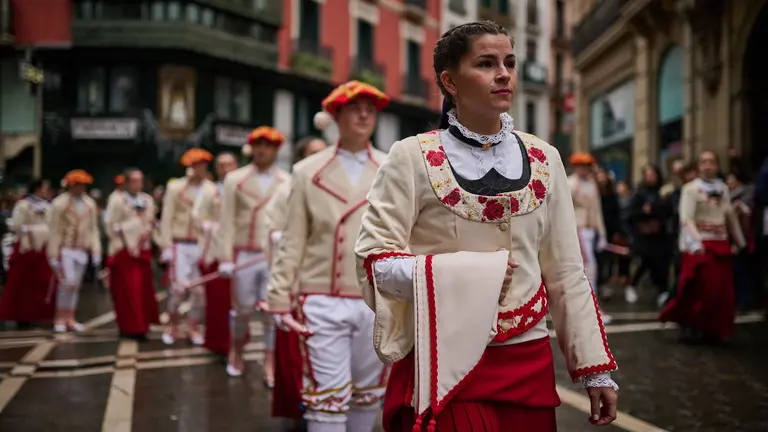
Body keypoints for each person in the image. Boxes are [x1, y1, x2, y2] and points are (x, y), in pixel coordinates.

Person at [354, 22, 619, 431]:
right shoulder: (411, 156)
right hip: (447, 356)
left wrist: (592, 368)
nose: (504, 74)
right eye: (486, 63)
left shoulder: (545, 157)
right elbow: (375, 261)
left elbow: (566, 271)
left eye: (509, 63)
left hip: (527, 362)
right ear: (449, 80)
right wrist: (462, 277)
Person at [268, 81, 390, 432]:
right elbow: (293, 240)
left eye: (371, 108)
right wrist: (278, 297)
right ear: (336, 115)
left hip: (375, 301)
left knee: (366, 396)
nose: (365, 114)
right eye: (355, 108)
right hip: (321, 297)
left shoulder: (391, 167)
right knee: (327, 399)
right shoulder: (306, 171)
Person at [263, 135, 328, 424]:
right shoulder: (285, 189)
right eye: (313, 153)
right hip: (297, 280)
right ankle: (304, 403)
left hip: (327, 281)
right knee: (297, 349)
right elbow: (274, 230)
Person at [219, 127, 289, 379]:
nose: (262, 150)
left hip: (273, 256)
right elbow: (225, 221)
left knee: (272, 311)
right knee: (242, 309)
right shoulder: (234, 179)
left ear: (276, 150)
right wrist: (225, 257)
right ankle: (236, 349)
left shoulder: (287, 181)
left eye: (268, 145)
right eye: (258, 144)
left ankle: (269, 360)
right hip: (244, 255)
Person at [660, 150, 746, 343]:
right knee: (698, 288)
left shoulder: (723, 188)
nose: (708, 165)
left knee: (721, 291)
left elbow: (729, 216)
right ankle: (692, 326)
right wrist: (695, 242)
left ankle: (714, 329)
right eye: (704, 161)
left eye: (711, 161)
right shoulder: (691, 189)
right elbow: (686, 218)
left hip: (721, 243)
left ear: (717, 165)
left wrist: (740, 242)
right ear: (699, 166)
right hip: (700, 244)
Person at [158, 148, 217, 345]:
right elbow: (166, 218)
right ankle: (172, 326)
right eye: (195, 164)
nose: (199, 168)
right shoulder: (176, 187)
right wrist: (166, 246)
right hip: (180, 243)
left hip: (202, 245)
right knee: (178, 288)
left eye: (202, 164)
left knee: (199, 291)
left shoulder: (211, 189)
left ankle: (193, 328)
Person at [104, 168, 160, 339]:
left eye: (140, 180)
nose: (138, 184)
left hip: (143, 250)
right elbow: (110, 225)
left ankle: (142, 325)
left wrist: (161, 244)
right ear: (126, 182)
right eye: (134, 181)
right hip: (124, 250)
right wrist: (131, 230)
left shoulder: (147, 200)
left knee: (143, 291)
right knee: (127, 291)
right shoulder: (117, 200)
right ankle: (129, 326)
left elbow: (152, 223)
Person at [192, 152, 239, 357]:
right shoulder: (210, 190)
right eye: (221, 165)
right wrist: (209, 226)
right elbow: (198, 215)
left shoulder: (243, 185)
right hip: (217, 251)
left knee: (240, 301)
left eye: (229, 164)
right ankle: (219, 342)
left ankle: (237, 343)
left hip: (241, 248)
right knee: (218, 300)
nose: (226, 168)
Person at [47, 170, 102, 333]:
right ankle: (59, 318)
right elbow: (54, 230)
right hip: (66, 248)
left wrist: (96, 250)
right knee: (66, 283)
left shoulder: (89, 204)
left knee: (76, 285)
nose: (81, 187)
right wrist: (53, 254)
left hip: (82, 249)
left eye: (83, 185)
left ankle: (70, 318)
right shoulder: (59, 204)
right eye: (78, 184)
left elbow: (93, 229)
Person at [0, 179, 54, 326]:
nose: (46, 190)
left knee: (41, 283)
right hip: (26, 247)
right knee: (22, 284)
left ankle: (37, 313)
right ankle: (21, 316)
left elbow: (51, 225)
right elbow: (16, 225)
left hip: (41, 248)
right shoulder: (23, 205)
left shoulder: (47, 206)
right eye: (44, 187)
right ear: (38, 188)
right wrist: (31, 230)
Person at [627, 165, 672, 307]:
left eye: (653, 174)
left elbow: (667, 212)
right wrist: (643, 212)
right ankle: (632, 285)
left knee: (660, 263)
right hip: (644, 235)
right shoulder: (639, 194)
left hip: (660, 234)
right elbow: (632, 215)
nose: (651, 177)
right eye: (648, 174)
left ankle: (663, 290)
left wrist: (656, 209)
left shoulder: (662, 192)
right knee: (644, 262)